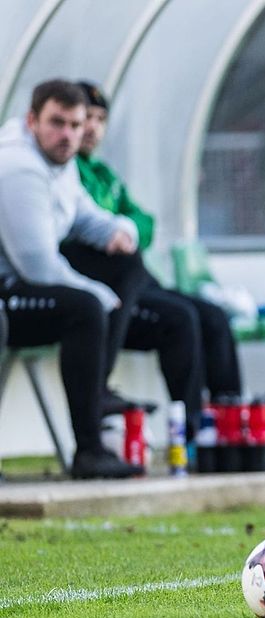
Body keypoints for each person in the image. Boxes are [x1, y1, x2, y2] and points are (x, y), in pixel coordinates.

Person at [75, 81, 243, 441]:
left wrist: (124, 230)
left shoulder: (102, 174)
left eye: (100, 119)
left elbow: (144, 223)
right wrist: (116, 232)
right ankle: (194, 433)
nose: (92, 128)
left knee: (213, 317)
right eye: (85, 117)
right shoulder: (68, 172)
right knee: (180, 318)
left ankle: (232, 424)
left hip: (139, 281)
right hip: (109, 290)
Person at [0, 79, 147, 478]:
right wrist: (97, 293)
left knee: (126, 265)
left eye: (75, 125)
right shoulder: (19, 167)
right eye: (56, 123)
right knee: (84, 307)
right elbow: (39, 268)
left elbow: (85, 217)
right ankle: (89, 449)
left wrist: (123, 231)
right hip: (8, 293)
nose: (67, 135)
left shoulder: (61, 164)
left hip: (27, 284)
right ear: (32, 121)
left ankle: (97, 388)